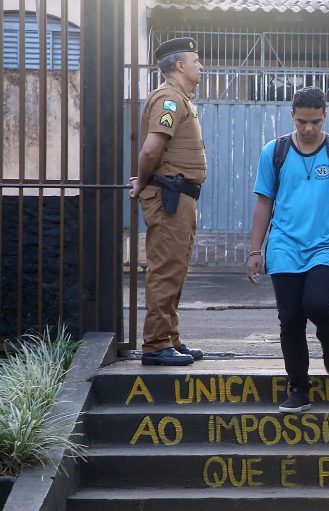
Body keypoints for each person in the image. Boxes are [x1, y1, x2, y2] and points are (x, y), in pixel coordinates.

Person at [247, 87, 329, 413]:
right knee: (291, 319)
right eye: (302, 121)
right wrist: (255, 251)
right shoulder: (276, 152)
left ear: (326, 116)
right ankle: (299, 387)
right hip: (284, 246)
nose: (309, 128)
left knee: (317, 305)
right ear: (292, 117)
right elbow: (263, 203)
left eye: (315, 121)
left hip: (325, 246)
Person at [127, 37, 206, 366]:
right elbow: (150, 150)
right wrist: (142, 183)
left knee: (176, 269)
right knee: (165, 270)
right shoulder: (169, 99)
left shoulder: (181, 99)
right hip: (169, 196)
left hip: (182, 196)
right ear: (180, 66)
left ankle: (169, 338)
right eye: (196, 60)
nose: (201, 66)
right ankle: (156, 344)